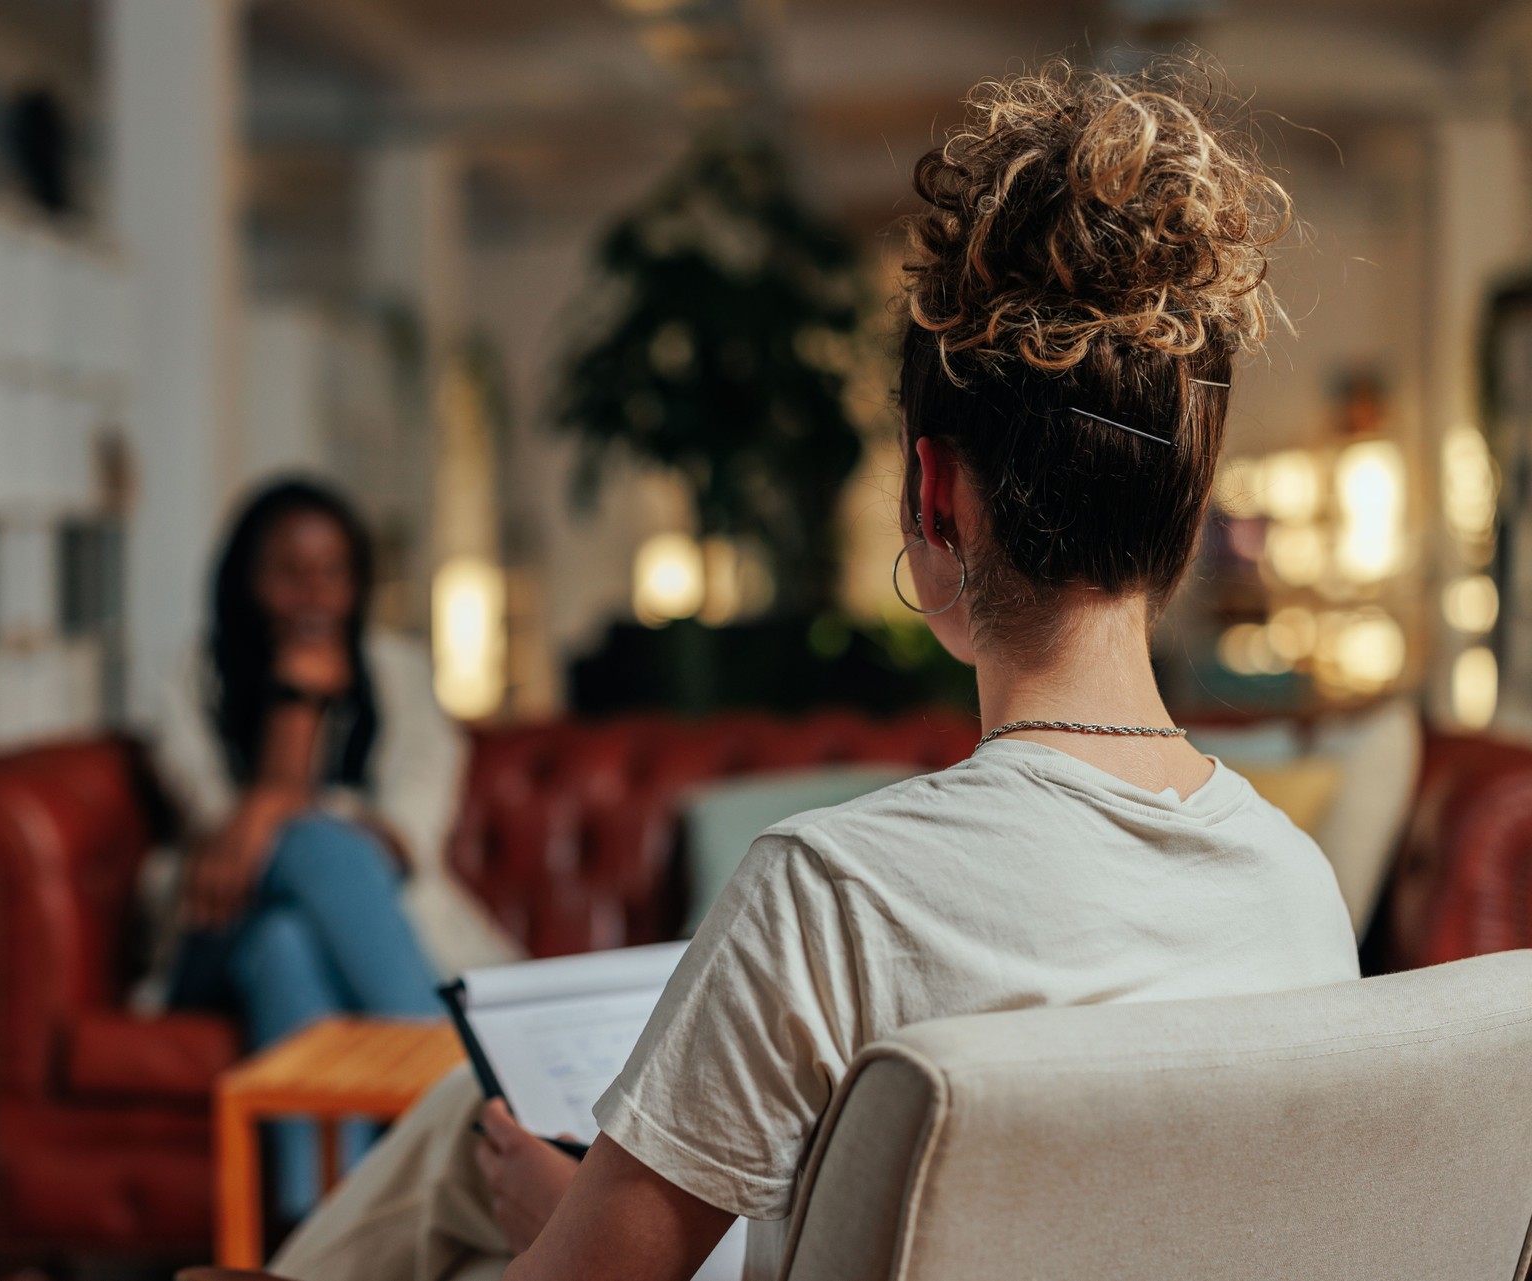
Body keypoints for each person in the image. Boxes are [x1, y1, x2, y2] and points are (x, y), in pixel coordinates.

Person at [263, 56, 1360, 1281]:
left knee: (460, 1172)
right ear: (1187, 503)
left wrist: (571, 1234)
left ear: (931, 494)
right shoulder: (1298, 894)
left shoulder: (831, 895)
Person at [142, 479, 523, 1228]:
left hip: (304, 935)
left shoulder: (404, 676)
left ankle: (321, 1236)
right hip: (212, 931)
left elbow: (403, 837)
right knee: (307, 846)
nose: (313, 593)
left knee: (287, 940)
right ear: (245, 582)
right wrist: (294, 704)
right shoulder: (193, 679)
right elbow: (231, 847)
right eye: (288, 571)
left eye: (333, 570)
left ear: (357, 582)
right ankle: (464, 1101)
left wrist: (271, 806)